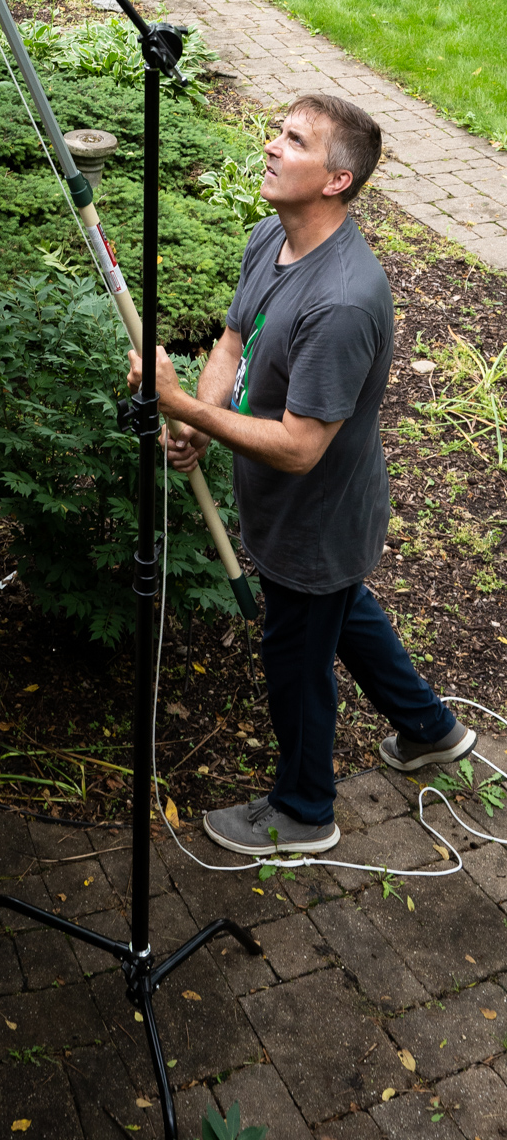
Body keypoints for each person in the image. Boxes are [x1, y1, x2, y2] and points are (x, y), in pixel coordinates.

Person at [128, 93, 475, 856]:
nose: (271, 146)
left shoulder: (344, 300)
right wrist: (195, 418)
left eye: (294, 140)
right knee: (343, 613)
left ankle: (305, 810)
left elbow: (299, 447)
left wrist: (182, 403)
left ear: (336, 181)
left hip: (317, 521)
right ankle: (431, 730)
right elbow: (231, 339)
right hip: (292, 516)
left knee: (297, 662)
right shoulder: (270, 238)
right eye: (277, 131)